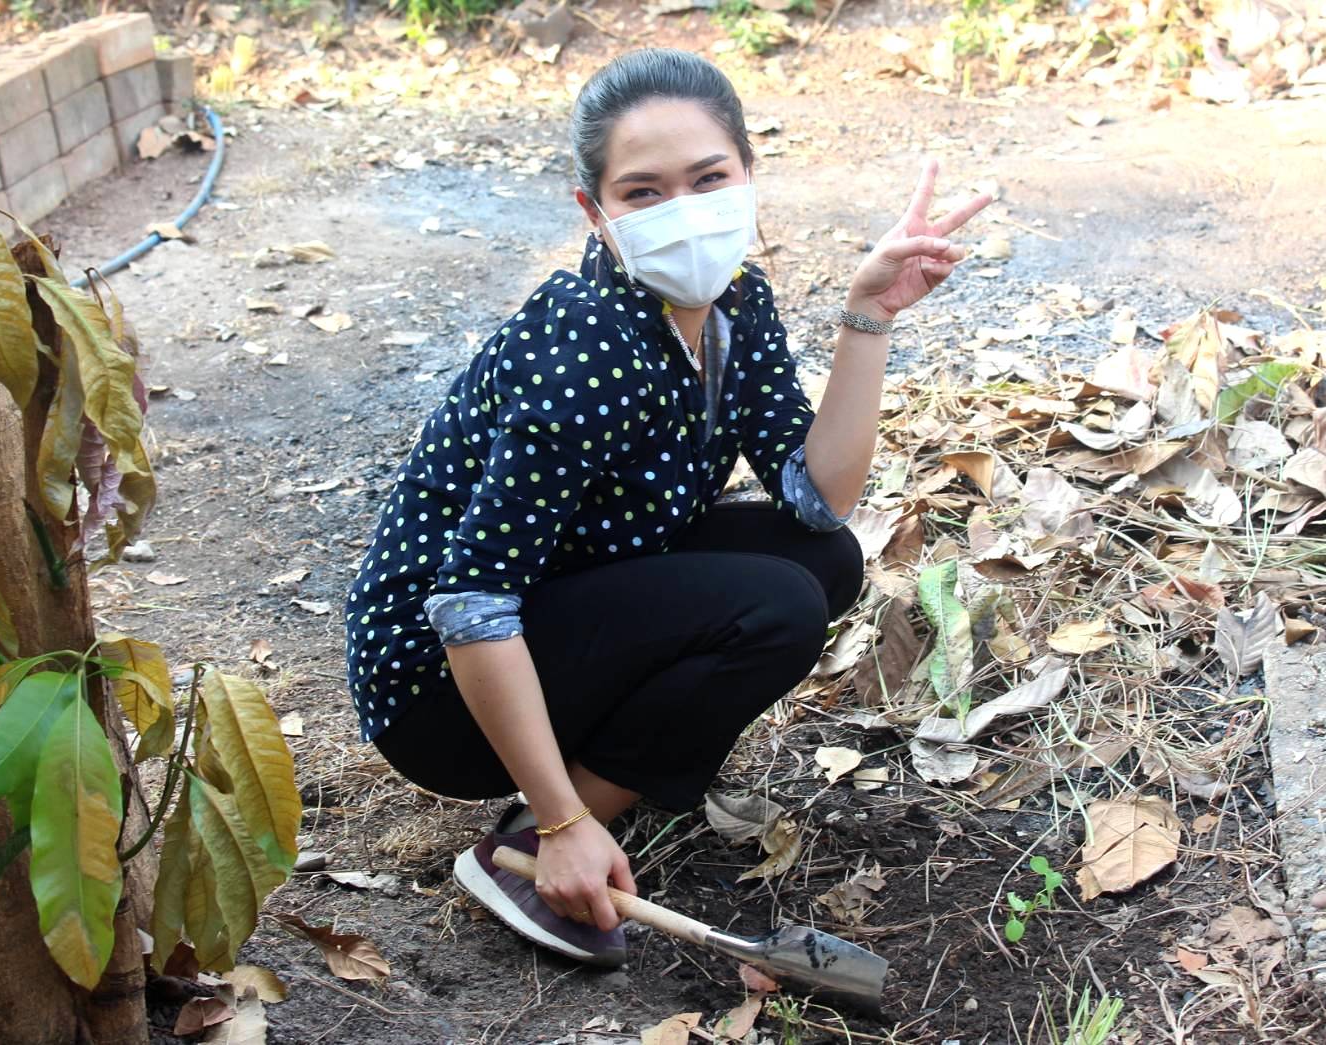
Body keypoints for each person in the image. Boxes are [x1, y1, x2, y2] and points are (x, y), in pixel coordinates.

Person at [345, 47, 992, 968]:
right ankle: (536, 843)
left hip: (557, 603)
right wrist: (565, 821)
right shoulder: (577, 352)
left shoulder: (734, 301)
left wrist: (869, 315)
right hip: (437, 689)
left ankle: (576, 796)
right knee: (776, 606)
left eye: (708, 178)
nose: (684, 210)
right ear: (594, 212)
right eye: (644, 192)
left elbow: (815, 495)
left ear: (747, 176)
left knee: (825, 561)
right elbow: (469, 604)